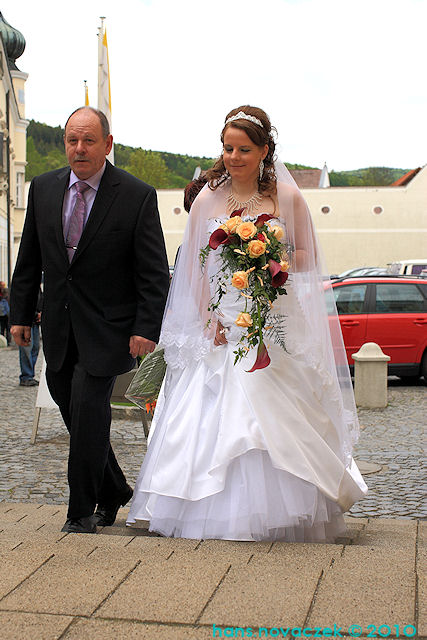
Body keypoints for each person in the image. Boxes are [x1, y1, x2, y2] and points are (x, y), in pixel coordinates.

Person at [127, 105, 367, 542]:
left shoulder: (286, 198)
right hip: (221, 322)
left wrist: (269, 260)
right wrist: (207, 318)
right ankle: (206, 511)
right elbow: (194, 268)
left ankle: (285, 509)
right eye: (227, 148)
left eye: (244, 149)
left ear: (264, 151)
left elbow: (307, 256)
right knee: (212, 412)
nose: (234, 157)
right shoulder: (207, 199)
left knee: (276, 405)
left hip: (271, 318)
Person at [10, 106, 170, 534]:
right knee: (70, 404)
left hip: (110, 329)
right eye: (72, 141)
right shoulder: (43, 189)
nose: (79, 149)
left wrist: (145, 328)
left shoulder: (136, 195)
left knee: (88, 406)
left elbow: (153, 272)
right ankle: (115, 487)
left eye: (88, 141)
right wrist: (21, 315)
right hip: (59, 327)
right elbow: (30, 258)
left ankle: (80, 511)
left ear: (107, 144)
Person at [18, 288, 42, 387]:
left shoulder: (38, 288)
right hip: (25, 321)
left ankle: (30, 374)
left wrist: (41, 313)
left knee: (35, 347)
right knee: (26, 349)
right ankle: (26, 376)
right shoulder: (24, 285)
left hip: (35, 321)